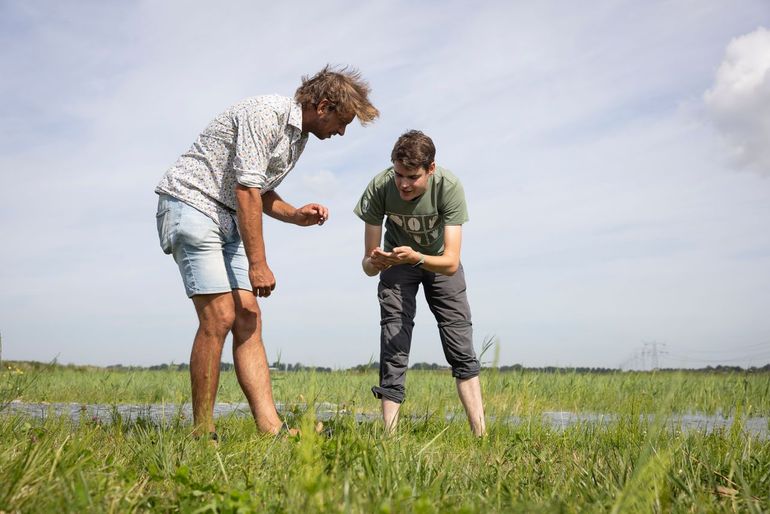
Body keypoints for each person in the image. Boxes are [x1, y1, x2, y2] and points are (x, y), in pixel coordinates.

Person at [155, 66, 379, 439]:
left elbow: (260, 191)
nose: (341, 132)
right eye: (342, 123)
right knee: (220, 315)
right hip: (193, 205)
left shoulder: (298, 138)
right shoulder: (266, 114)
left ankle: (270, 428)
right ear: (323, 106)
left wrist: (294, 215)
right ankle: (202, 432)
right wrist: (258, 264)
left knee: (249, 316)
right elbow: (246, 191)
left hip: (227, 218)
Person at [354, 130, 486, 436]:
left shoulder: (449, 187)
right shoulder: (379, 187)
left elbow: (452, 262)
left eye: (412, 177)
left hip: (438, 263)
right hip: (398, 265)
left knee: (460, 346)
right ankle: (389, 436)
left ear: (431, 169)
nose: (403, 184)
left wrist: (416, 256)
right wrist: (377, 261)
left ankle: (481, 436)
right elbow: (367, 267)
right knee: (394, 342)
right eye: (398, 174)